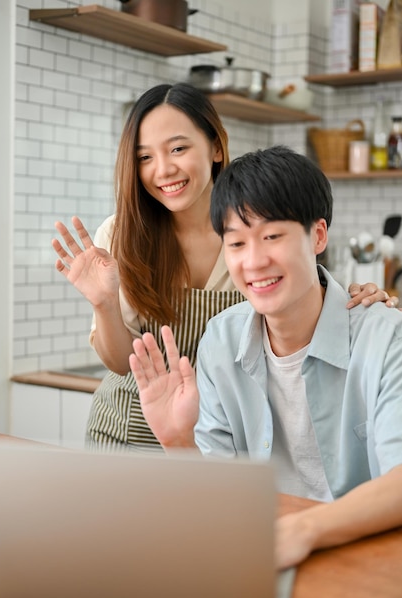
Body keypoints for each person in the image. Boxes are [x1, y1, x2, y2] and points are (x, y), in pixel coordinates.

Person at [52, 83, 396, 451]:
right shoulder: (123, 234)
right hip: (125, 432)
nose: (163, 169)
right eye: (145, 157)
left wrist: (361, 303)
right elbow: (123, 365)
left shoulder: (249, 228)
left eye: (178, 148)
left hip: (218, 441)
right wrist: (104, 304)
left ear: (216, 146)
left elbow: (307, 302)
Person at [129, 145, 402, 570]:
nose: (254, 261)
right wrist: (177, 441)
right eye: (236, 243)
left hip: (359, 555)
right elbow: (218, 500)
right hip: (260, 554)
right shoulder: (220, 340)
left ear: (318, 235)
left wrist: (304, 530)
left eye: (272, 236)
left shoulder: (384, 335)